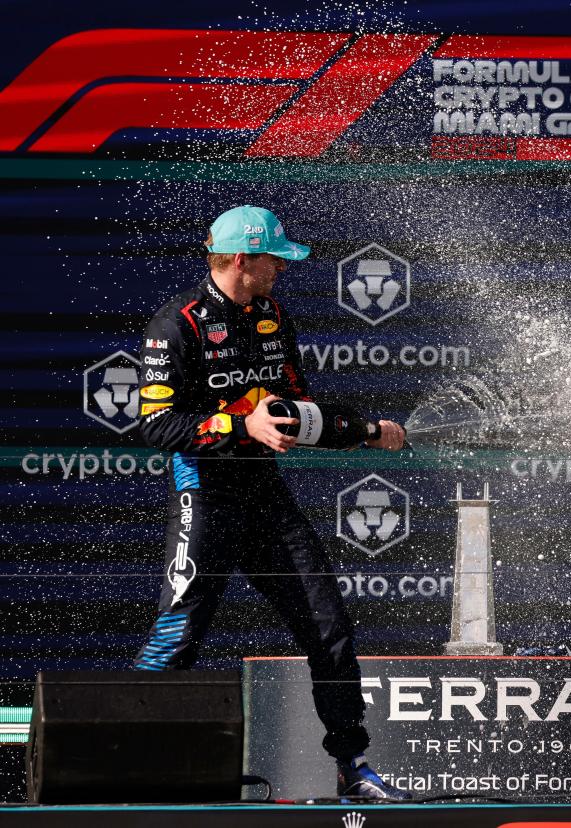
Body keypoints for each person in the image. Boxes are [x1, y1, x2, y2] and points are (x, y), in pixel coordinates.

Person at [133, 205, 411, 801]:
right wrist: (242, 427)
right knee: (178, 632)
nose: (282, 268)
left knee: (328, 626)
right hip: (204, 491)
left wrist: (366, 429)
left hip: (264, 496)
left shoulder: (273, 316)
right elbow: (157, 424)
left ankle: (353, 768)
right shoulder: (175, 325)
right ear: (241, 260)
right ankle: (126, 760)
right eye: (274, 259)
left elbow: (293, 411)